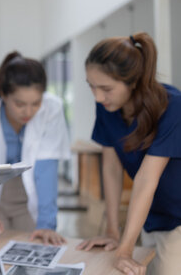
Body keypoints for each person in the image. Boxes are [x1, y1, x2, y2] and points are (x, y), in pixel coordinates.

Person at [77, 32, 181, 275]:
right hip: (151, 214)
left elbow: (146, 180)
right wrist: (113, 231)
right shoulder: (107, 106)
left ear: (133, 81)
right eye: (91, 86)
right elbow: (111, 169)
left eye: (106, 88)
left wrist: (125, 249)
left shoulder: (173, 106)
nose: (98, 96)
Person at [0, 52, 70, 245]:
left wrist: (46, 223)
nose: (28, 112)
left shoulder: (51, 110)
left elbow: (47, 170)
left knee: (33, 243)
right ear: (3, 95)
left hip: (29, 192)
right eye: (20, 104)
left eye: (35, 103)